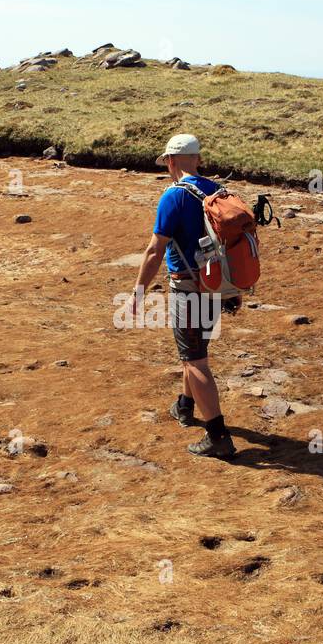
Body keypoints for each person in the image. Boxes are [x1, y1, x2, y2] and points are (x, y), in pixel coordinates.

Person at [130, 134, 237, 458]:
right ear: (199, 160)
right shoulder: (217, 192)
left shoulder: (173, 197)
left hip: (188, 289)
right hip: (216, 286)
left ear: (171, 162)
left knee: (195, 360)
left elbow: (154, 251)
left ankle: (218, 436)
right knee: (195, 350)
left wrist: (137, 293)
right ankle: (185, 405)